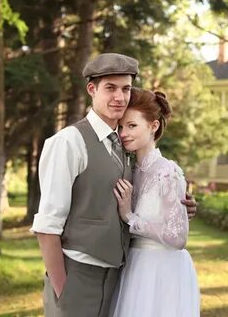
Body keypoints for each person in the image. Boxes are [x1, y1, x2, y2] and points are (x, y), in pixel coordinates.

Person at [30, 53, 197, 317]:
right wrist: (64, 289)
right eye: (110, 88)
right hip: (79, 276)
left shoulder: (123, 146)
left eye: (126, 88)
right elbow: (47, 227)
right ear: (92, 89)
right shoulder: (68, 142)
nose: (119, 97)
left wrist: (178, 206)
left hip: (120, 279)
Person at [111, 88, 200, 317]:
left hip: (162, 271)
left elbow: (178, 237)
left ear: (153, 126)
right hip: (133, 266)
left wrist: (129, 217)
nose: (123, 133)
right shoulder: (128, 169)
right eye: (121, 126)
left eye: (132, 125)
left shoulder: (168, 172)